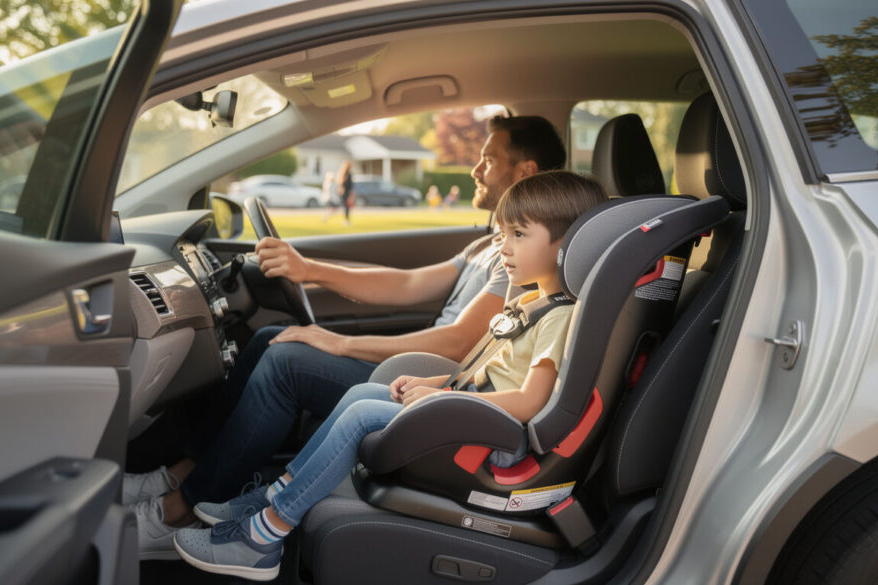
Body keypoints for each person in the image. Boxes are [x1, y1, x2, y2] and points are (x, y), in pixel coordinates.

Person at [127, 115, 568, 558]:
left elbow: (459, 345)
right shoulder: (490, 245)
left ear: (525, 172)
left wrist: (339, 342)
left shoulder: (524, 267)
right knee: (270, 340)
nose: (476, 169)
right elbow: (409, 284)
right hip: (433, 380)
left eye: (488, 160)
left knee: (285, 361)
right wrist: (309, 269)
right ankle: (182, 475)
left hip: (439, 375)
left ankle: (182, 508)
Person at [171, 170, 610, 579]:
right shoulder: (528, 304)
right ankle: (272, 495)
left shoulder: (559, 318)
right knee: (363, 395)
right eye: (503, 234)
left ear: (567, 244)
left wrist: (444, 401)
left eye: (518, 235)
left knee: (362, 415)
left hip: (493, 444)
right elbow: (482, 372)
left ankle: (263, 537)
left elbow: (531, 402)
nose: (506, 247)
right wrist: (433, 385)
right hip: (472, 414)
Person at [337, 161, 355, 225]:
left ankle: (346, 219)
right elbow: (350, 186)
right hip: (346, 193)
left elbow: (341, 185)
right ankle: (346, 220)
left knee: (346, 207)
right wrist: (351, 194)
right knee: (347, 207)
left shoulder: (342, 174)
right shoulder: (348, 175)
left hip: (343, 193)